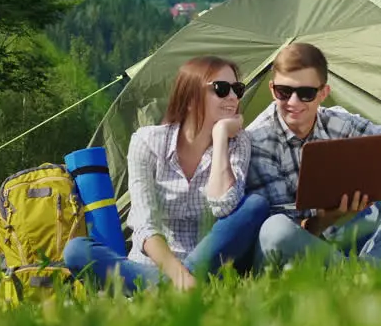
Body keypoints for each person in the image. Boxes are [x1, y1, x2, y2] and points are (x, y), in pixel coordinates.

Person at [63, 56, 269, 293]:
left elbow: (225, 206)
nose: (233, 97)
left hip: (210, 261)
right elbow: (144, 224)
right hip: (154, 265)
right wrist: (178, 274)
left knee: (255, 205)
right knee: (76, 251)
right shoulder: (148, 141)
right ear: (190, 98)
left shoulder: (238, 141)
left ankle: (158, 290)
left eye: (238, 89)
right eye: (221, 89)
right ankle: (179, 286)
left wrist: (221, 136)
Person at [244, 42, 381, 268]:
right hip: (286, 245)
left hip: (336, 233)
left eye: (306, 93)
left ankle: (376, 262)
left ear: (323, 93)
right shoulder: (258, 140)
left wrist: (362, 185)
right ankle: (354, 271)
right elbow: (295, 230)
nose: (293, 102)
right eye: (284, 92)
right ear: (272, 89)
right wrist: (330, 215)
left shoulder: (336, 122)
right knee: (276, 229)